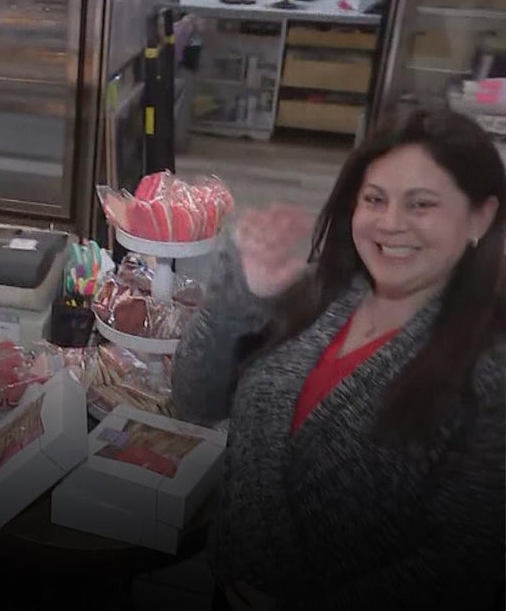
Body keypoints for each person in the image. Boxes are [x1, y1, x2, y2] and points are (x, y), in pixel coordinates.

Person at [173, 108, 504, 610]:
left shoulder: (489, 370)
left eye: (421, 205)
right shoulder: (322, 295)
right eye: (375, 199)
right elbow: (194, 399)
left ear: (480, 217)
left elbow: (470, 560)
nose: (391, 224)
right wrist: (239, 295)